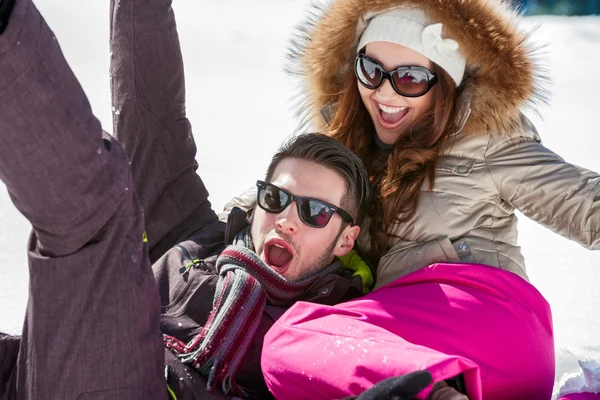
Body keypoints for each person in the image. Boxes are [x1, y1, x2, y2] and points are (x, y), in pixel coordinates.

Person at [0, 0, 387, 399]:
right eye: (275, 197)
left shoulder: (341, 327)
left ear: (346, 239)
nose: (287, 219)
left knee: (99, 208)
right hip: (44, 369)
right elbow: (150, 112)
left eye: (315, 212)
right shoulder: (193, 232)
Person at [254, 0, 599, 398]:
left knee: (293, 337)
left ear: (444, 85)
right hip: (413, 347)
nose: (384, 91)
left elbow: (588, 206)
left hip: (487, 317)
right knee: (293, 354)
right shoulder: (342, 158)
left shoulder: (485, 141)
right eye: (372, 70)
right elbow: (269, 203)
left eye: (411, 78)